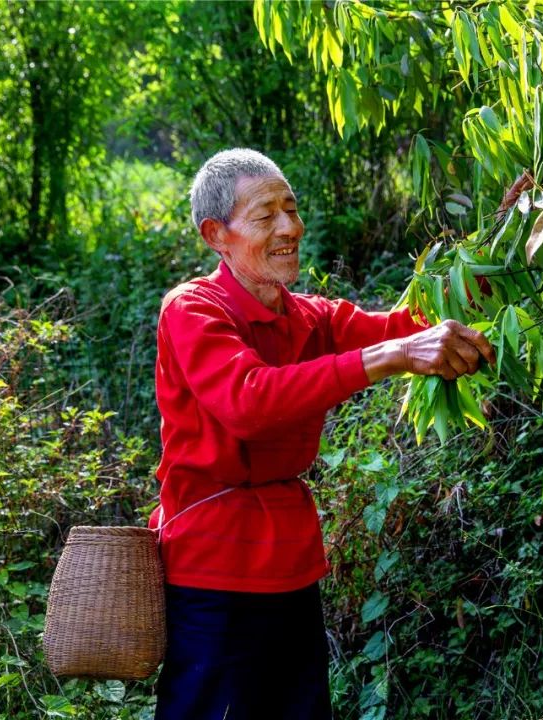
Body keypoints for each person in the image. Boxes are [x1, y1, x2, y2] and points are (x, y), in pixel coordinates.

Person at [148, 148, 494, 720]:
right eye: (266, 216)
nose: (290, 227)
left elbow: (414, 322)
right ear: (217, 234)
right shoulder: (191, 309)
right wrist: (390, 357)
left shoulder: (309, 316)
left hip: (291, 563)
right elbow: (248, 401)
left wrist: (501, 248)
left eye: (292, 209)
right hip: (212, 573)